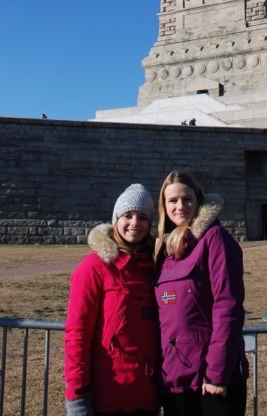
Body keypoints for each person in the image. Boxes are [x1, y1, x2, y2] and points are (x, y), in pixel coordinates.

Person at [154, 171, 248, 415]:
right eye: (172, 201)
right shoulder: (164, 250)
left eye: (187, 199)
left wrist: (218, 373)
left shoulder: (215, 239)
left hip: (211, 379)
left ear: (198, 201)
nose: (180, 206)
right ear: (164, 206)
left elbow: (228, 307)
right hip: (175, 378)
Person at [65, 184, 159, 416]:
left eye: (142, 217)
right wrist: (77, 396)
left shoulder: (156, 268)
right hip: (106, 396)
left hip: (147, 396)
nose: (135, 223)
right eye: (128, 216)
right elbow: (77, 333)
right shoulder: (93, 267)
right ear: (116, 219)